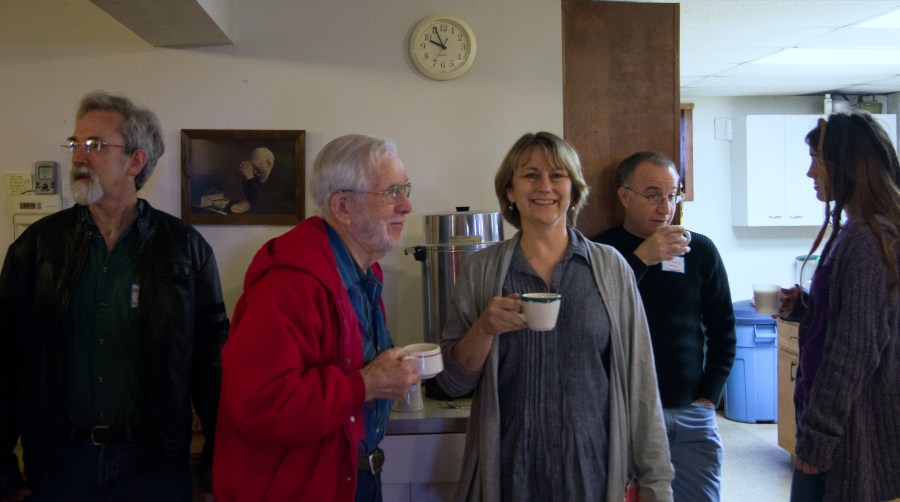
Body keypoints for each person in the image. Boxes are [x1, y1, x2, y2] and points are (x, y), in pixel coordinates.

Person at [0, 91, 230, 501]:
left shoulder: (184, 250)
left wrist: (218, 461)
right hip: (61, 465)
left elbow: (212, 366)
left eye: (94, 145)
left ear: (135, 161)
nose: (79, 156)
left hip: (153, 466)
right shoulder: (36, 248)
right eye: (75, 144)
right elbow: (5, 360)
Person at [436, 132, 674, 502]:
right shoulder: (482, 271)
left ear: (574, 190)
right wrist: (484, 329)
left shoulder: (611, 268)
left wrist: (657, 485)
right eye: (530, 175)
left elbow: (642, 385)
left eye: (558, 175)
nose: (545, 186)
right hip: (508, 475)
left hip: (594, 475)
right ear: (510, 190)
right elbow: (452, 383)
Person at [213, 134, 421, 501]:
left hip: (353, 476)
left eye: (404, 189)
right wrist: (367, 384)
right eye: (391, 192)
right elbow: (260, 404)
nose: (406, 205)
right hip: (301, 488)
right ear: (343, 207)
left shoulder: (365, 273)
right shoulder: (290, 285)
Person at [591, 151, 736, 502]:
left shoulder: (700, 250)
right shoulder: (600, 251)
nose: (665, 207)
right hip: (621, 414)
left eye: (673, 195)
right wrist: (642, 259)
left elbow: (723, 330)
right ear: (625, 196)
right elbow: (592, 316)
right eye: (653, 195)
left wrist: (708, 398)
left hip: (690, 412)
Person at [780, 112, 900, 502]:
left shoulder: (867, 238)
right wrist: (809, 308)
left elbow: (856, 348)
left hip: (849, 430)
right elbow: (864, 318)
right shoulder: (864, 230)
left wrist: (819, 435)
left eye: (817, 160)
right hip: (845, 421)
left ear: (848, 166)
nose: (810, 173)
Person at [238, 146, 296, 214]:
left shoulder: (283, 175)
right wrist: (247, 177)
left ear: (268, 162)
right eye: (253, 168)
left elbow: (264, 203)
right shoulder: (262, 171)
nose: (255, 172)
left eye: (257, 168)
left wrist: (250, 177)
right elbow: (252, 197)